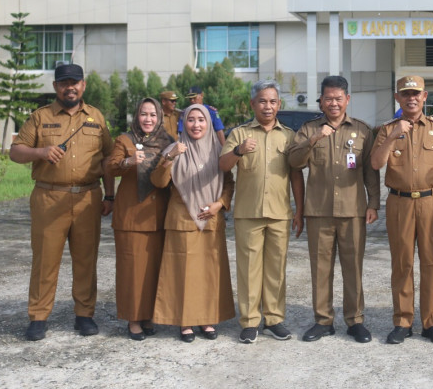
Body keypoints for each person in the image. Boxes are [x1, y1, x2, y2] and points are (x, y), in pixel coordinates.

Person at [10, 64, 115, 342]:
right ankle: (38, 316)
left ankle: (84, 314)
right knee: (45, 259)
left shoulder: (96, 117)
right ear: (56, 87)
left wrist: (110, 194)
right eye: (64, 82)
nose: (70, 87)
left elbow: (108, 158)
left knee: (85, 259)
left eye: (75, 82)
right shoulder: (40, 117)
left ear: (83, 85)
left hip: (87, 198)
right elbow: (15, 151)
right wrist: (40, 151)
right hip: (49, 197)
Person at [287, 76, 380, 344]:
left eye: (338, 98)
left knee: (353, 268)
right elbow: (294, 162)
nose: (333, 103)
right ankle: (323, 320)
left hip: (353, 211)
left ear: (347, 100)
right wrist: (314, 138)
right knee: (320, 268)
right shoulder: (308, 129)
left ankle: (355, 320)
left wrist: (373, 203)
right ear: (321, 100)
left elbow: (370, 171)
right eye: (328, 98)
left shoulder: (362, 131)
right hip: (319, 211)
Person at [371, 75, 433, 345]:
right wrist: (394, 135)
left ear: (424, 96)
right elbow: (375, 163)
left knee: (432, 262)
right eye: (405, 93)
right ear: (397, 97)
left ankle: (432, 322)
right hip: (400, 203)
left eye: (416, 93)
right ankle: (402, 321)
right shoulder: (386, 129)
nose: (411, 98)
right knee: (402, 263)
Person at [220, 80, 305, 344]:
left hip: (280, 213)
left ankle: (274, 319)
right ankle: (249, 322)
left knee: (276, 269)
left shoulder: (289, 136)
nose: (268, 106)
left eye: (272, 101)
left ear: (279, 104)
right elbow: (222, 165)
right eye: (262, 101)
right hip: (248, 213)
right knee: (248, 269)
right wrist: (238, 150)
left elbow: (296, 177)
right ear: (253, 104)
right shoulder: (239, 134)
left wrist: (299, 211)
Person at [152, 104, 236, 341]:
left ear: (209, 123)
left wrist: (219, 204)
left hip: (211, 220)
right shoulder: (174, 148)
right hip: (182, 219)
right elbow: (158, 182)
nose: (196, 124)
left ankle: (208, 319)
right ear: (184, 123)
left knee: (210, 272)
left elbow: (229, 183)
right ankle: (185, 321)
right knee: (183, 273)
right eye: (191, 120)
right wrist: (169, 158)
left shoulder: (220, 149)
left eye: (201, 119)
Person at [107, 97, 174, 340]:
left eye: (153, 115)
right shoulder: (125, 140)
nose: (148, 119)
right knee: (132, 271)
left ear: (160, 118)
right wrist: (128, 161)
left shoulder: (168, 142)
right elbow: (110, 167)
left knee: (153, 271)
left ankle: (148, 316)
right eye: (144, 114)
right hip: (131, 218)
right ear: (137, 116)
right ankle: (133, 319)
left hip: (159, 216)